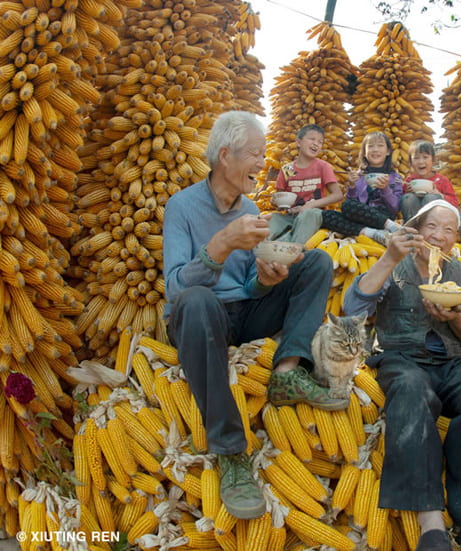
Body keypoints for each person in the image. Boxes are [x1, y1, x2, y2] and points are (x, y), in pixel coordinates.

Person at [163, 111, 349, 521]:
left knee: (315, 262)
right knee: (197, 299)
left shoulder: (249, 205)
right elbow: (176, 289)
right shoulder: (181, 207)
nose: (263, 163)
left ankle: (287, 370)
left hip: (243, 314)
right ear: (225, 156)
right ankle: (230, 451)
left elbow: (249, 286)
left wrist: (266, 279)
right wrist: (222, 243)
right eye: (256, 154)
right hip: (200, 319)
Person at [343, 200, 461, 551]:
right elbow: (353, 307)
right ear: (417, 228)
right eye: (433, 227)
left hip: (452, 362)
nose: (440, 237)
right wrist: (387, 258)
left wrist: (453, 319)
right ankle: (430, 523)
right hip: (402, 359)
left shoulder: (460, 273)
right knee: (412, 391)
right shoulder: (394, 264)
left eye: (449, 230)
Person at [321, 131, 403, 244]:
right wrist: (352, 185)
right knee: (327, 215)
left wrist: (385, 189)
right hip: (361, 217)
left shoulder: (395, 177)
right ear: (364, 152)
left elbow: (395, 207)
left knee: (348, 208)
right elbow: (352, 205)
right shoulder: (359, 175)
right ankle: (372, 233)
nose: (375, 149)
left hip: (383, 216)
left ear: (388, 151)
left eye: (380, 145)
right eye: (370, 146)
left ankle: (389, 227)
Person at [271, 123, 344, 244]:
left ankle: (291, 248)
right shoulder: (288, 169)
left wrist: (310, 205)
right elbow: (280, 196)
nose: (316, 143)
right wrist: (276, 202)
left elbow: (337, 195)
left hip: (314, 214)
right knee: (273, 219)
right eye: (312, 139)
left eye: (320, 142)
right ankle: (260, 250)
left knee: (309, 214)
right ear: (298, 142)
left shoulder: (322, 166)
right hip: (291, 215)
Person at [400, 139, 458, 222]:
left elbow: (455, 203)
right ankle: (411, 229)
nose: (421, 162)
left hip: (435, 222)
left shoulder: (442, 180)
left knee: (431, 197)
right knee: (408, 198)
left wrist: (440, 195)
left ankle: (429, 228)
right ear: (410, 162)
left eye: (425, 157)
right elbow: (400, 204)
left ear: (433, 160)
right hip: (414, 220)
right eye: (416, 158)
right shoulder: (409, 181)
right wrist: (407, 192)